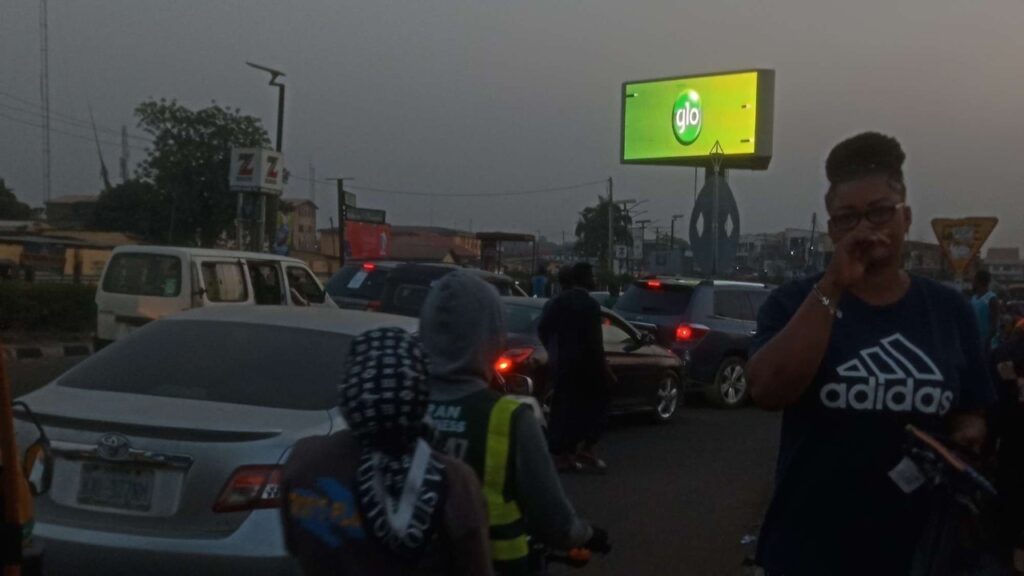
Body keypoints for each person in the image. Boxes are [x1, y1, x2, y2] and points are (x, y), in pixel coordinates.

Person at [746, 132, 994, 576]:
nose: (865, 229)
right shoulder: (794, 302)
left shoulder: (948, 310)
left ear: (906, 217)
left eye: (880, 212)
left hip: (923, 554)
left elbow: (972, 407)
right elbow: (766, 389)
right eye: (847, 218)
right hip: (809, 553)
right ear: (831, 229)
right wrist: (833, 286)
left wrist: (965, 435)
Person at [420, 270, 609, 576]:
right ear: (492, 336)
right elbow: (555, 521)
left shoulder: (400, 412)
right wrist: (587, 534)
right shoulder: (509, 419)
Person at [280, 328, 493, 576]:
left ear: (352, 383)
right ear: (419, 389)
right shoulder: (453, 480)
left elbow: (294, 548)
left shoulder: (303, 461)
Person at [538, 262, 612, 472]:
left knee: (564, 409)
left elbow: (543, 328)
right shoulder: (590, 305)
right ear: (585, 279)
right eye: (592, 276)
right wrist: (604, 368)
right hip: (588, 366)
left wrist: (554, 351)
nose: (594, 279)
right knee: (598, 405)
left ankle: (565, 454)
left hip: (563, 365)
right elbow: (595, 342)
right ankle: (585, 448)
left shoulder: (558, 302)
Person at [971, 269, 1001, 354]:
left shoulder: (991, 299)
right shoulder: (974, 298)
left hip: (988, 346)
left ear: (978, 281)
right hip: (975, 342)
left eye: (973, 280)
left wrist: (986, 343)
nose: (972, 282)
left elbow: (994, 326)